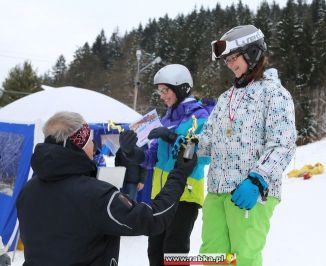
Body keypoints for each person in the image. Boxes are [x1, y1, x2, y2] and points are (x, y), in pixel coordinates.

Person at [16, 111, 197, 266]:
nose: (94, 146)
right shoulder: (96, 195)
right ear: (78, 144)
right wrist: (180, 173)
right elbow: (152, 219)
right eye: (90, 141)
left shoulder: (27, 191)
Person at [198, 25, 297, 265]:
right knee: (212, 256)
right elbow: (208, 139)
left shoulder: (275, 94)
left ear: (253, 53)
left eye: (234, 58)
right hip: (218, 191)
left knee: (243, 258)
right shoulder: (225, 98)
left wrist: (258, 179)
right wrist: (189, 146)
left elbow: (283, 145)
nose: (230, 64)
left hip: (250, 191)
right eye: (227, 60)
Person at [132, 64, 210, 266]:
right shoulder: (165, 119)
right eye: (160, 91)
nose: (162, 95)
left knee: (174, 252)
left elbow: (200, 155)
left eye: (166, 90)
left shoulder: (200, 117)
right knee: (155, 252)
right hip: (161, 196)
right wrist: (132, 152)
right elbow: (151, 159)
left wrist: (172, 137)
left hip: (185, 194)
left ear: (181, 88)